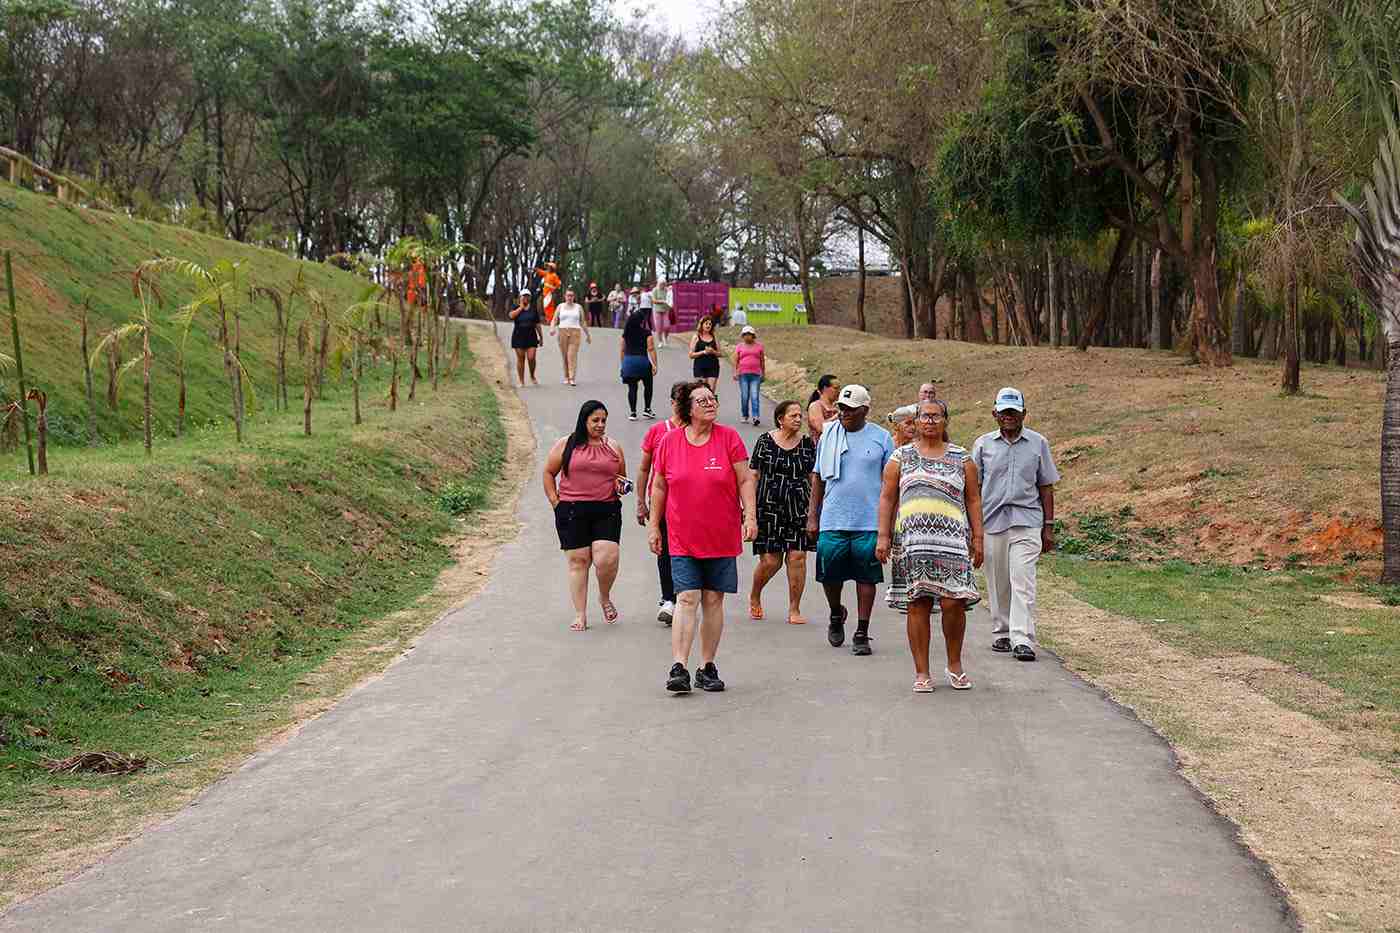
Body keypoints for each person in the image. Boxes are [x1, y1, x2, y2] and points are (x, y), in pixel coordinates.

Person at [648, 381, 757, 693]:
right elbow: (659, 486)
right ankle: (679, 665)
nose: (710, 403)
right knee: (686, 597)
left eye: (713, 399)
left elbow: (745, 480)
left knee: (712, 599)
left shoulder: (729, 438)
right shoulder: (669, 442)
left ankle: (706, 666)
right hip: (682, 535)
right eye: (702, 400)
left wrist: (750, 515)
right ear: (688, 409)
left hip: (721, 535)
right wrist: (655, 526)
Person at [877, 400, 984, 692]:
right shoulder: (901, 457)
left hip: (952, 542)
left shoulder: (963, 458)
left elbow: (973, 499)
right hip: (913, 542)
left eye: (936, 417)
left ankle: (954, 665)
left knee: (954, 603)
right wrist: (883, 536)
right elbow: (887, 498)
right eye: (925, 416)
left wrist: (978, 538)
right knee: (918, 603)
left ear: (945, 421)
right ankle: (922, 672)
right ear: (916, 421)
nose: (930, 422)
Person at [971, 386, 1060, 663]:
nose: (1009, 416)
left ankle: (1022, 638)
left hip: (1027, 520)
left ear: (1024, 413)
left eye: (1014, 412)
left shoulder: (1038, 443)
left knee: (1022, 579)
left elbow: (1046, 486)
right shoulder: (983, 444)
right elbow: (973, 489)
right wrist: (972, 529)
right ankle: (1003, 630)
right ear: (995, 413)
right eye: (1004, 412)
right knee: (998, 581)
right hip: (992, 521)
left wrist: (1048, 526)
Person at [805, 384, 893, 656]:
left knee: (866, 576)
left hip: (868, 520)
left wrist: (887, 527)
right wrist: (812, 516)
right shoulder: (829, 433)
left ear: (865, 410)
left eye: (850, 409)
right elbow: (818, 476)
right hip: (833, 517)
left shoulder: (881, 437)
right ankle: (835, 613)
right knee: (829, 573)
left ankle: (862, 631)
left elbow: (890, 484)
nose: (844, 413)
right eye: (841, 408)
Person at [542, 400, 628, 631]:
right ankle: (580, 614)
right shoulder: (566, 444)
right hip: (571, 509)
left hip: (606, 509)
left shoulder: (613, 446)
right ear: (584, 421)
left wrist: (622, 487)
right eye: (595, 420)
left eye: (603, 421)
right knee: (579, 562)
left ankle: (604, 596)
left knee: (606, 558)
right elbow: (549, 472)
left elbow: (621, 477)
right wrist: (555, 501)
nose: (600, 425)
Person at [748, 400, 817, 625]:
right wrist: (748, 511)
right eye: (793, 416)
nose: (798, 419)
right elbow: (753, 476)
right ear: (781, 419)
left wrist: (815, 511)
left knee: (797, 557)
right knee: (771, 561)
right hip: (768, 507)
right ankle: (755, 595)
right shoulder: (765, 441)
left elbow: (813, 478)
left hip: (798, 507)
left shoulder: (807, 444)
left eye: (800, 416)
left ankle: (794, 608)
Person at [637, 382, 688, 626]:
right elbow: (644, 468)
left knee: (687, 550)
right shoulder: (658, 431)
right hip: (662, 502)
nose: (681, 405)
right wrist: (640, 502)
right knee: (665, 549)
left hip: (689, 503)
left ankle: (684, 596)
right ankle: (669, 598)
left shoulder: (696, 431)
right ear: (671, 402)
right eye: (678, 400)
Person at [883, 404, 919, 614]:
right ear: (896, 426)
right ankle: (902, 592)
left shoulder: (917, 447)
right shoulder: (889, 447)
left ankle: (919, 592)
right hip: (894, 504)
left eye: (914, 423)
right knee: (899, 550)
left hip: (911, 505)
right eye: (907, 423)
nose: (912, 427)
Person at [619, 305, 658, 421]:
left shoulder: (626, 333)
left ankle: (633, 412)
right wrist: (655, 365)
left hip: (629, 362)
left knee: (632, 388)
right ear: (642, 321)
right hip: (642, 361)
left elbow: (622, 350)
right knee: (648, 385)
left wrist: (623, 365)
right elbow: (651, 349)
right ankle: (647, 409)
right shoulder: (647, 333)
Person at [550, 289, 589, 386]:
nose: (570, 297)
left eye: (571, 295)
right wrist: (552, 328)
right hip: (562, 331)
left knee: (571, 355)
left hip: (575, 332)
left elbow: (583, 322)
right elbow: (554, 319)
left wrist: (588, 335)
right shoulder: (560, 306)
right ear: (565, 296)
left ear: (574, 297)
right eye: (568, 295)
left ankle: (572, 377)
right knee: (565, 356)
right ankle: (566, 376)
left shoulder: (578, 307)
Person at [508, 289, 542, 387]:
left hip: (531, 336)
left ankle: (532, 375)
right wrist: (521, 308)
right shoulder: (515, 306)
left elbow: (537, 324)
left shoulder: (533, 309)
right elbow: (511, 316)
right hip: (518, 336)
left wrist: (541, 337)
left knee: (531, 358)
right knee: (521, 358)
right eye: (524, 296)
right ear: (520, 297)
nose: (525, 298)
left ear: (530, 298)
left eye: (527, 296)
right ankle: (521, 381)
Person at [732, 325, 766, 426]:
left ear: (753, 335)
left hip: (755, 375)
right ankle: (745, 414)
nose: (747, 337)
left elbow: (762, 361)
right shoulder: (739, 346)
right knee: (745, 396)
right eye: (745, 335)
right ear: (743, 336)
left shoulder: (759, 346)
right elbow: (736, 360)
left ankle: (756, 416)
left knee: (754, 395)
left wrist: (763, 373)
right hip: (743, 374)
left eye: (749, 335)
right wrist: (735, 372)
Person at [689, 314, 722, 394]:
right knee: (700, 392)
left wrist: (713, 352)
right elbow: (691, 355)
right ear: (702, 325)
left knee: (710, 392)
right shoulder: (696, 337)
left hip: (713, 366)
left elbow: (720, 353)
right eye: (706, 323)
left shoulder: (714, 337)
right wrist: (703, 352)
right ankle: (698, 406)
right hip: (700, 367)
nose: (708, 325)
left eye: (710, 324)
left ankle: (711, 406)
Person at [806, 374, 840, 439]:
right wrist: (838, 416)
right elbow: (821, 428)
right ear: (825, 388)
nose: (839, 391)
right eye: (836, 388)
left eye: (839, 388)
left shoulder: (837, 406)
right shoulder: (815, 406)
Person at [651, 277, 673, 347]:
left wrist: (670, 304)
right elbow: (653, 300)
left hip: (665, 310)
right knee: (658, 327)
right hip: (657, 310)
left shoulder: (666, 290)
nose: (662, 285)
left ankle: (665, 338)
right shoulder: (655, 290)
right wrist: (662, 301)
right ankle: (660, 341)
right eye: (661, 284)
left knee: (667, 326)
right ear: (658, 283)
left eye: (664, 284)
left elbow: (670, 297)